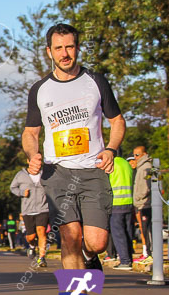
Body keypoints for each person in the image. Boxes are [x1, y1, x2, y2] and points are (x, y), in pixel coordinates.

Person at [22, 23, 125, 270]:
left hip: (92, 169)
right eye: (58, 48)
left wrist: (110, 149)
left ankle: (91, 256)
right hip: (56, 172)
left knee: (97, 241)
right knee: (70, 237)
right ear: (49, 51)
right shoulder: (39, 89)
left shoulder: (96, 81)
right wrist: (32, 153)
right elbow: (30, 132)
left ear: (77, 48)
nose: (64, 53)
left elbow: (117, 121)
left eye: (69, 47)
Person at [10, 165, 50, 267]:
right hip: (27, 210)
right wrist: (22, 193)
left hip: (43, 208)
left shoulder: (45, 173)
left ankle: (42, 258)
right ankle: (32, 245)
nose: (38, 163)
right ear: (28, 161)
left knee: (41, 231)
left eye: (40, 160)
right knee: (31, 236)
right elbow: (12, 187)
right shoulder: (20, 175)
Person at [107, 154, 135, 270]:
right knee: (128, 232)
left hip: (116, 203)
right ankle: (129, 258)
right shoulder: (126, 164)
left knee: (118, 233)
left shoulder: (110, 164)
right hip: (129, 201)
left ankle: (124, 261)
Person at [132, 146, 154, 264]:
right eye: (134, 155)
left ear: (144, 154)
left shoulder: (146, 167)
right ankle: (147, 253)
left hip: (146, 203)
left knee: (148, 230)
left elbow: (146, 186)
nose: (135, 158)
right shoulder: (141, 167)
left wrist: (138, 197)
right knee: (144, 230)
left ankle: (150, 254)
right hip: (141, 203)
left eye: (137, 155)